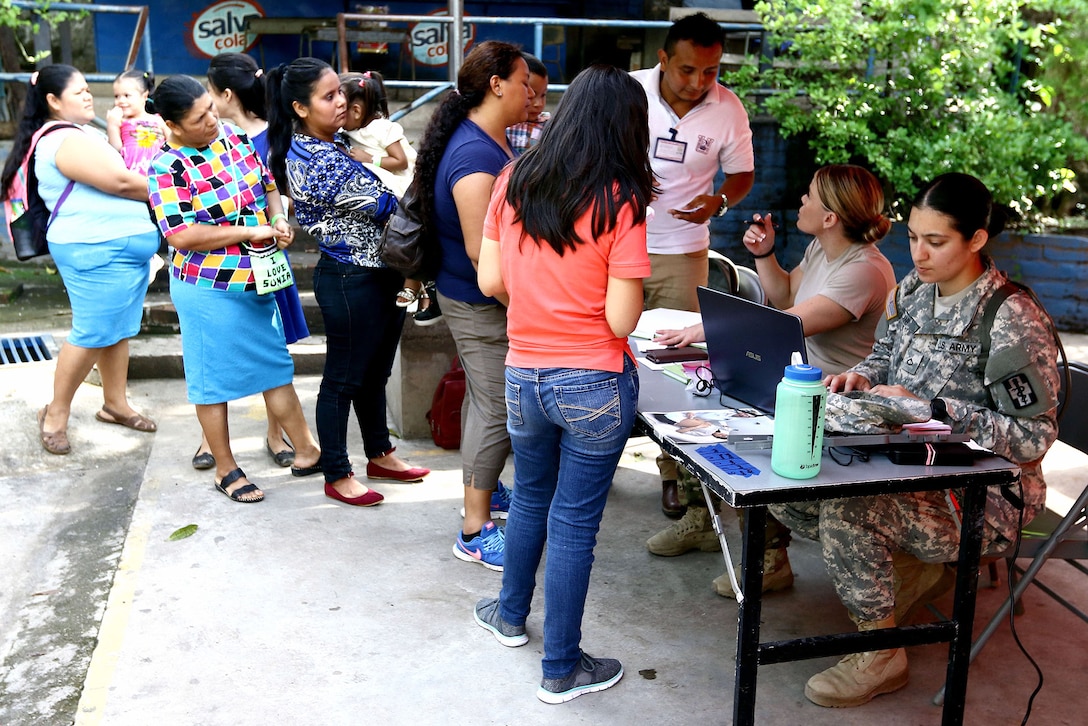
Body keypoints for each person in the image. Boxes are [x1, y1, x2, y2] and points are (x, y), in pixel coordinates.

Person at [772, 172, 1060, 708]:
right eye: (912, 237)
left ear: (976, 239)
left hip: (987, 495)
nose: (919, 254)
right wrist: (860, 377)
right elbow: (883, 358)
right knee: (793, 471)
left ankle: (883, 652)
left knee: (845, 507)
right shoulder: (913, 291)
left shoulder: (1010, 317)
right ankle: (909, 571)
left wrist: (933, 410)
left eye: (936, 241)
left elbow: (1032, 438)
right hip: (910, 461)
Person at [472, 63, 653, 704]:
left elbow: (492, 283)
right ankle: (562, 668)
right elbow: (621, 319)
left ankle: (508, 615)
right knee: (574, 525)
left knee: (527, 497)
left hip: (524, 371)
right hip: (593, 380)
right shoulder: (621, 199)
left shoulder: (513, 178)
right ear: (627, 128)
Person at [650, 165, 897, 598]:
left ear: (830, 217)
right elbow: (783, 296)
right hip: (793, 376)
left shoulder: (865, 271)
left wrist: (707, 330)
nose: (801, 201)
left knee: (734, 427)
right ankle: (704, 521)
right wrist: (765, 256)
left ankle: (770, 559)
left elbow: (787, 323)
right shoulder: (822, 251)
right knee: (700, 409)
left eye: (809, 196)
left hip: (831, 396)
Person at [147, 74, 321, 503]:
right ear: (173, 125)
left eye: (210, 108)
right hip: (207, 287)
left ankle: (308, 451)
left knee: (274, 364)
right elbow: (182, 236)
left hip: (258, 276)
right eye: (199, 117)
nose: (212, 119)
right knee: (212, 381)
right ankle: (225, 468)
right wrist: (250, 228)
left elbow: (267, 185)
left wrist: (278, 219)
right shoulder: (166, 166)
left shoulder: (233, 137)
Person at [266, 57, 430, 508]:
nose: (342, 101)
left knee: (375, 372)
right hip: (349, 277)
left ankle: (380, 453)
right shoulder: (314, 158)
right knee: (343, 379)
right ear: (300, 107)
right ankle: (337, 472)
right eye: (329, 96)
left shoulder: (338, 141)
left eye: (340, 92)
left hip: (382, 272)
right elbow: (387, 206)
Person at [414, 40, 534, 570]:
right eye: (525, 80)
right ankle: (473, 527)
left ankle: (482, 493)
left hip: (477, 296)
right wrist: (525, 306)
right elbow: (480, 251)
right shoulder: (475, 156)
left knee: (483, 402)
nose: (532, 91)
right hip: (481, 300)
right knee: (499, 408)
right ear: (497, 84)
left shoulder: (488, 140)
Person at [631, 12, 755, 521]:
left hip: (684, 252)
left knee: (681, 370)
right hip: (619, 245)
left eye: (711, 71)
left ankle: (674, 475)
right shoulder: (629, 93)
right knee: (608, 349)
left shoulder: (728, 109)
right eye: (687, 70)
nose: (700, 82)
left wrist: (719, 201)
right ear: (662, 59)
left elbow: (743, 173)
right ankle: (596, 454)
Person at [1, 65, 160, 456]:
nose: (89, 96)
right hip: (94, 250)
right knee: (91, 332)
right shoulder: (62, 140)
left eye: (89, 89)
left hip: (119, 249)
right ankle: (55, 413)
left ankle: (115, 404)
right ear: (53, 101)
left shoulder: (85, 134)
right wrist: (182, 189)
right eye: (80, 92)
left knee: (118, 329)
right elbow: (121, 182)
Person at [186, 51, 311, 473]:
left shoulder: (260, 138)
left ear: (223, 94)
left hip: (266, 261)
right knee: (215, 356)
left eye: (207, 95)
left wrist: (278, 218)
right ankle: (213, 441)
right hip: (220, 271)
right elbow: (182, 231)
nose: (206, 109)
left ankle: (277, 434)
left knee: (272, 353)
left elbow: (278, 188)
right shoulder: (189, 155)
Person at [338, 71, 439, 326]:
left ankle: (416, 283)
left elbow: (401, 160)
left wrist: (369, 159)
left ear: (357, 111)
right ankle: (417, 285)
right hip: (390, 188)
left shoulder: (381, 128)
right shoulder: (352, 131)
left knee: (411, 235)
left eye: (342, 110)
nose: (338, 117)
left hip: (406, 187)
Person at [106, 69, 167, 176]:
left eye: (127, 95)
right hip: (132, 174)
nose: (120, 100)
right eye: (116, 96)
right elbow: (115, 150)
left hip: (159, 171)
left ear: (144, 96)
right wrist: (112, 126)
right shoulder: (120, 122)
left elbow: (174, 142)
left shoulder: (157, 119)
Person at [504, 52, 550, 156]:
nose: (539, 104)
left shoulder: (549, 126)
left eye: (543, 95)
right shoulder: (503, 124)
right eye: (532, 95)